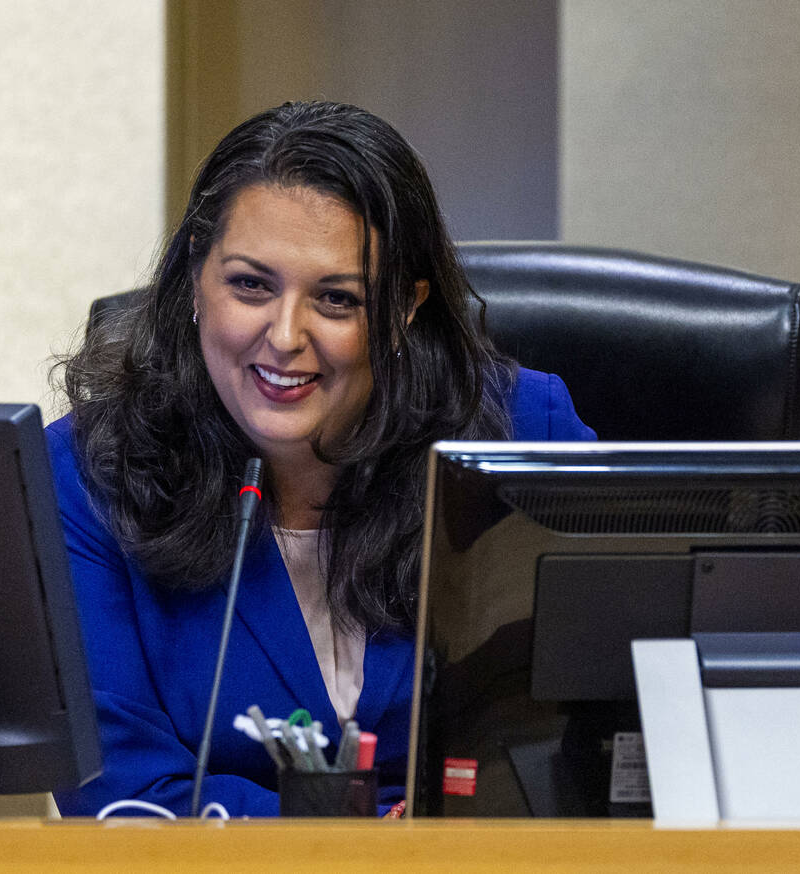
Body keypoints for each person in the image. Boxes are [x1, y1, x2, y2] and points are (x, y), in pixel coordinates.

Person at [48, 101, 595, 817]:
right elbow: (122, 792)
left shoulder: (522, 438)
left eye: (336, 300)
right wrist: (367, 842)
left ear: (403, 310)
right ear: (192, 281)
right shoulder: (88, 471)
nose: (283, 335)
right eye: (251, 285)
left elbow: (593, 735)